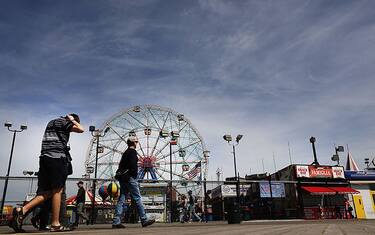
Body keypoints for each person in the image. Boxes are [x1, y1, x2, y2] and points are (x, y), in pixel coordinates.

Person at [9, 114, 84, 232]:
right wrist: (73, 120)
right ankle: (55, 224)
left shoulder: (51, 122)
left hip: (44, 158)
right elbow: (81, 129)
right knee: (57, 191)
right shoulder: (64, 123)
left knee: (47, 193)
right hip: (57, 158)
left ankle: (21, 211)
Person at [112, 136, 155, 229]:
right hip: (130, 178)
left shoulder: (125, 153)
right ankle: (144, 219)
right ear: (134, 143)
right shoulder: (132, 152)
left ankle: (116, 221)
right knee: (137, 198)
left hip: (123, 178)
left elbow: (121, 166)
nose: (137, 143)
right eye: (136, 142)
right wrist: (135, 175)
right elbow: (133, 166)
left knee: (121, 199)